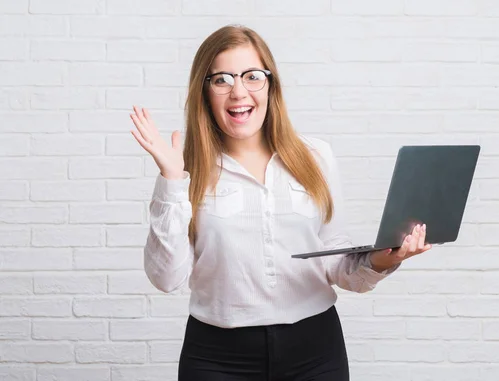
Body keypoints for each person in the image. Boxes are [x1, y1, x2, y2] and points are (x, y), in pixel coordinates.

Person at [129, 24, 431, 381]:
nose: (238, 92)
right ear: (204, 91)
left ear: (271, 86)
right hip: (217, 357)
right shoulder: (186, 169)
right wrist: (172, 180)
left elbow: (334, 260)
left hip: (315, 350)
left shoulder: (315, 156)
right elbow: (165, 278)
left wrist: (385, 258)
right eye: (222, 80)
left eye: (252, 76)